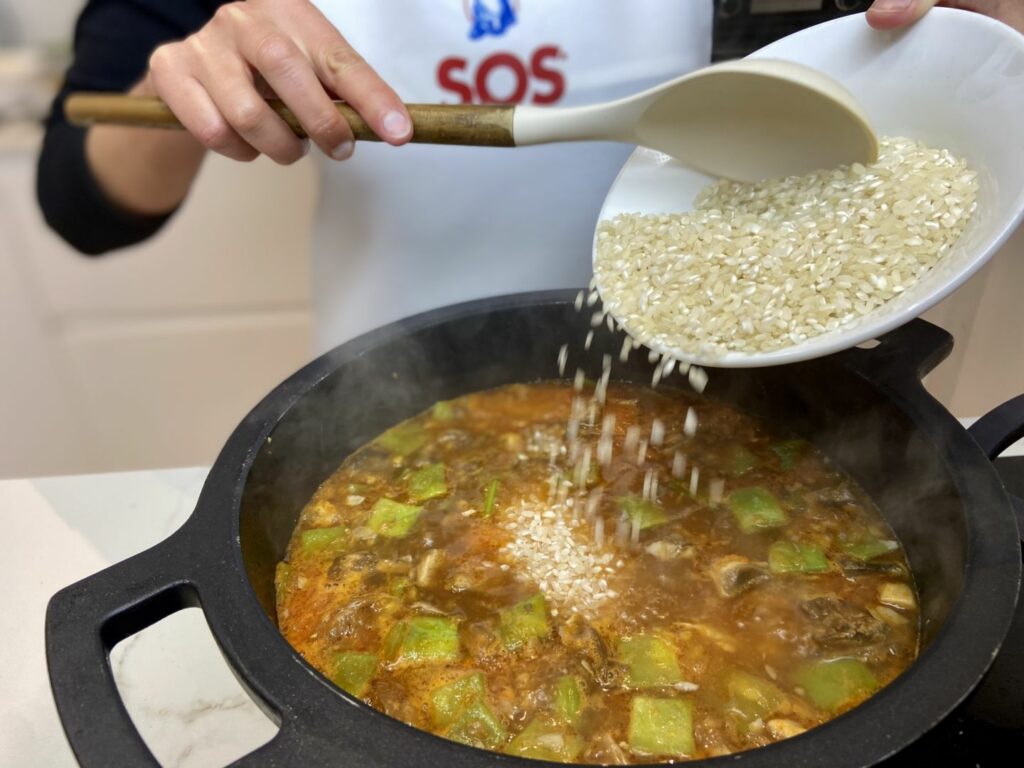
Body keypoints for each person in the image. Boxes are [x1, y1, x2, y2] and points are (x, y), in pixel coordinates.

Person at [36, 0, 1022, 353]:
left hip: (747, 377)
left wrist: (984, 38)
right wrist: (194, 92)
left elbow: (922, 80)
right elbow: (85, 205)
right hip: (379, 373)